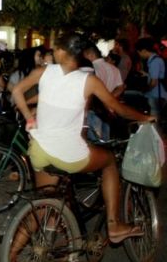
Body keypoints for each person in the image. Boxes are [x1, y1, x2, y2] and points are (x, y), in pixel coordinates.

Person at [12, 33, 153, 250]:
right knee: (108, 163)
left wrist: (29, 116)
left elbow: (17, 91)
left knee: (42, 206)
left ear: (61, 52)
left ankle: (12, 253)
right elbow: (118, 108)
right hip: (68, 153)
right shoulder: (89, 81)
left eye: (55, 48)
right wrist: (144, 117)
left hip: (39, 149)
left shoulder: (43, 72)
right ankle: (114, 226)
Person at [135, 37, 166, 120]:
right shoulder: (155, 60)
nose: (139, 55)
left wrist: (145, 90)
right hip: (157, 95)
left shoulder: (155, 61)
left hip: (156, 96)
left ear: (144, 50)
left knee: (154, 121)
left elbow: (154, 82)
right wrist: (146, 74)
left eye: (139, 52)